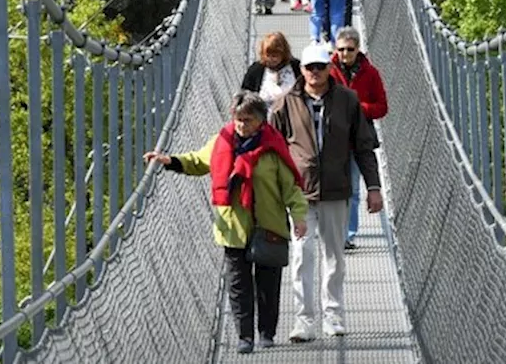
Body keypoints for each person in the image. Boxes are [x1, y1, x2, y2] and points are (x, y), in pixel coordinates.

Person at [144, 92, 309, 353]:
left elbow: (290, 188)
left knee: (268, 281)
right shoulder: (222, 141)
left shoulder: (273, 147)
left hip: (268, 225)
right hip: (232, 227)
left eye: (248, 119)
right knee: (238, 283)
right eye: (238, 119)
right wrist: (170, 161)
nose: (241, 125)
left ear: (260, 121)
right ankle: (245, 337)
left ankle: (266, 331)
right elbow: (198, 161)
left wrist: (299, 216)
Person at [270, 43, 383, 342]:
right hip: (299, 195)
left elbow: (364, 146)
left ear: (330, 68)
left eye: (321, 66)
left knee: (334, 257)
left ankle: (333, 316)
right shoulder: (284, 104)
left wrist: (373, 187)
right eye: (310, 67)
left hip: (336, 190)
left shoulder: (348, 100)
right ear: (302, 70)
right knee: (302, 256)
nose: (315, 73)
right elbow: (271, 151)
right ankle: (304, 321)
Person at [328, 27, 388, 250]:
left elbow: (382, 107)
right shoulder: (327, 70)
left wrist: (358, 108)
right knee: (329, 187)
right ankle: (330, 231)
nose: (345, 54)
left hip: (358, 137)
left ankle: (347, 235)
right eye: (341, 49)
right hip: (332, 137)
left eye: (349, 50)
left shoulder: (370, 73)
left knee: (352, 188)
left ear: (358, 49)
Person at [241, 32, 302, 108]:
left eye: (275, 56)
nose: (271, 59)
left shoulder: (296, 67)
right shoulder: (255, 70)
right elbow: (245, 95)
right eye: (268, 55)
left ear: (283, 53)